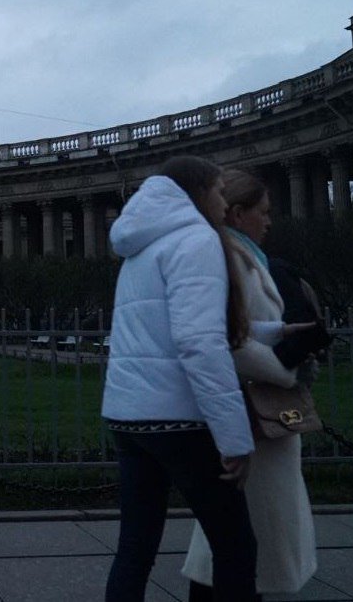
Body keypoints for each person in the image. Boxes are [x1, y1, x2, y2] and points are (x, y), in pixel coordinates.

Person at [101, 155, 258, 601]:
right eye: (220, 191)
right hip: (181, 419)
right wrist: (234, 437)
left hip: (129, 416)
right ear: (199, 192)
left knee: (134, 550)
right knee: (235, 548)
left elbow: (159, 327)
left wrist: (271, 331)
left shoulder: (141, 244)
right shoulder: (196, 240)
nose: (226, 204)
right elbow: (198, 342)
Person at [182, 169, 317, 599]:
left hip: (255, 413)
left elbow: (245, 330)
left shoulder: (247, 259)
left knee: (234, 544)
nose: (270, 220)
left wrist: (284, 335)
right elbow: (228, 339)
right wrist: (286, 368)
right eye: (264, 211)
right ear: (238, 214)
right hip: (249, 412)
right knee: (238, 545)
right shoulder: (230, 261)